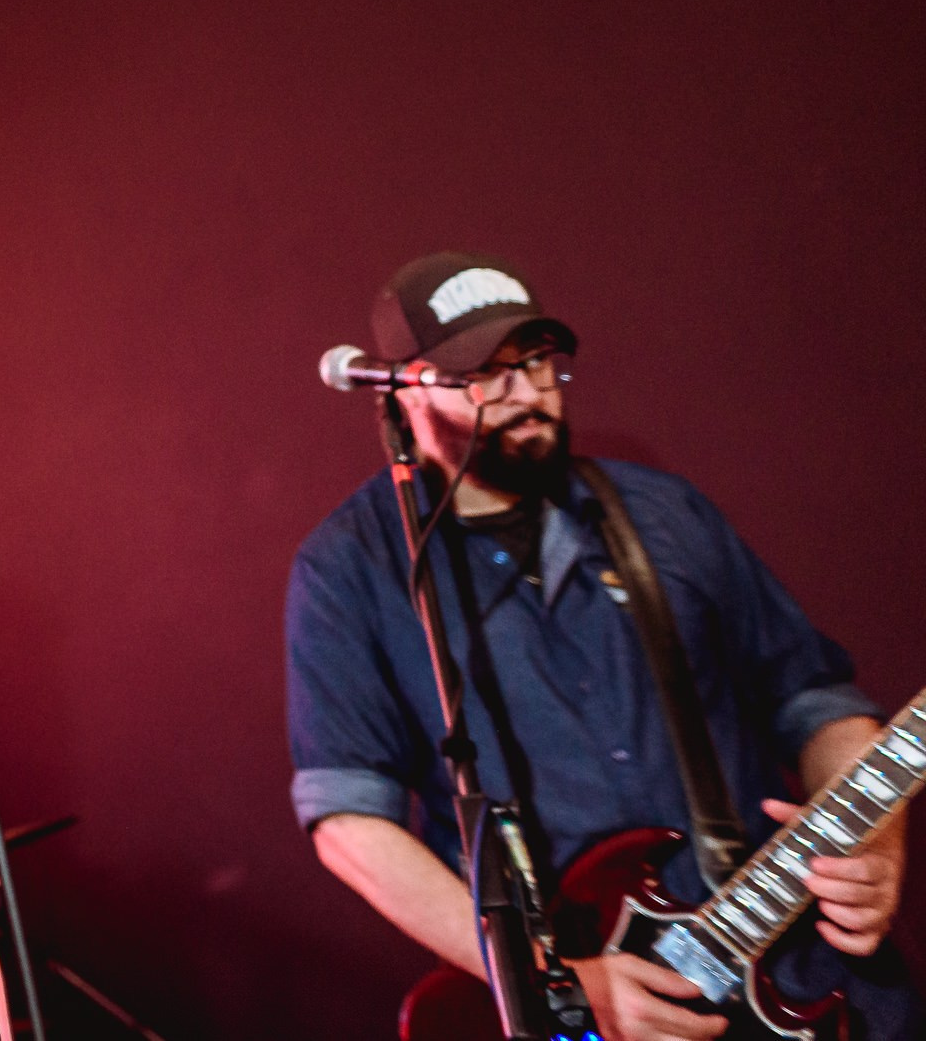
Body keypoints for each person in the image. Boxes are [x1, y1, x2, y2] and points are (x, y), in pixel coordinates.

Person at [286, 252, 919, 1041]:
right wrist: (556, 980)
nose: (529, 395)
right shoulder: (351, 568)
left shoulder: (665, 512)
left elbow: (818, 700)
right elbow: (352, 822)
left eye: (539, 363)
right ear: (408, 385)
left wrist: (878, 843)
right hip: (591, 988)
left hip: (799, 964)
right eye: (486, 373)